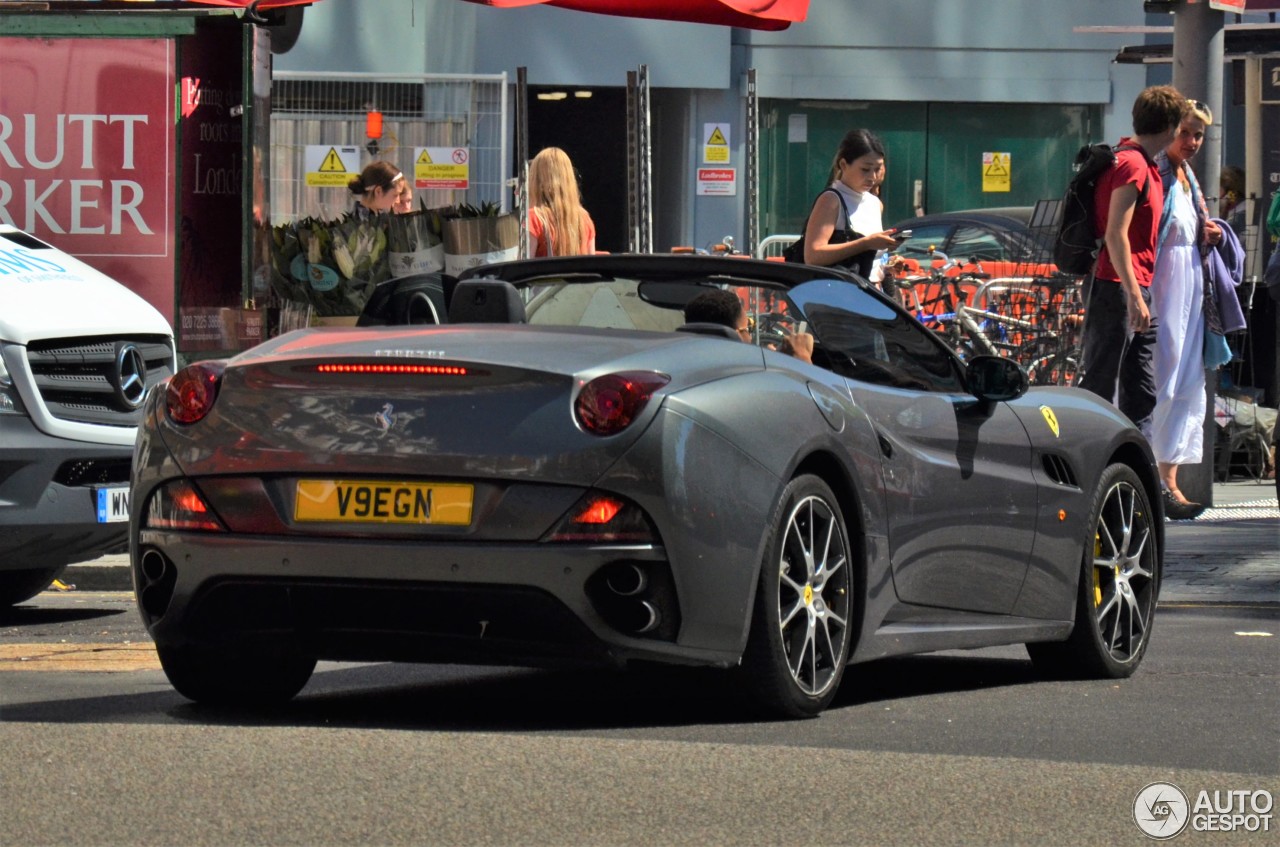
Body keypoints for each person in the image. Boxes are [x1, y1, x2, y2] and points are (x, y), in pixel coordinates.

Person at [1075, 85, 1188, 440]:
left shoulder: (1137, 163)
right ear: (1170, 126)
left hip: (1129, 287)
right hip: (1118, 288)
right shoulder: (1133, 166)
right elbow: (1115, 233)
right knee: (1102, 382)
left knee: (1139, 387)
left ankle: (1138, 468)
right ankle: (1092, 461)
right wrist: (1134, 295)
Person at [1150, 101, 1222, 519]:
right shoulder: (1156, 172)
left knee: (1186, 376)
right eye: (1187, 132)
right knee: (1161, 372)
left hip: (1189, 285)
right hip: (1163, 284)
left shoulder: (1187, 176)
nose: (1193, 142)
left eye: (1199, 135)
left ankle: (1170, 480)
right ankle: (1153, 476)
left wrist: (1207, 233)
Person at [799, 129, 899, 278]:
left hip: (873, 293)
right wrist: (866, 243)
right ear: (844, 165)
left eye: (877, 169)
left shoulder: (875, 203)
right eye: (865, 169)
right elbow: (813, 256)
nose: (872, 177)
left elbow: (871, 263)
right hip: (840, 296)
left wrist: (888, 264)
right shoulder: (831, 200)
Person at [683, 288, 813, 363]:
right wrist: (801, 356)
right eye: (748, 329)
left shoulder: (679, 364)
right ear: (735, 334)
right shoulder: (744, 378)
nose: (751, 338)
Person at [526, 147, 596, 257]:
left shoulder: (533, 218)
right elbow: (592, 266)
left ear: (537, 180)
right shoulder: (584, 219)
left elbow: (524, 268)